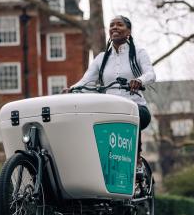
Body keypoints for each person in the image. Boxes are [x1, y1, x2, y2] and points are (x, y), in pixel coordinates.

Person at [66, 15, 156, 167]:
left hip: (136, 107)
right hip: (110, 110)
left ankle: (136, 158)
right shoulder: (101, 58)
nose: (114, 27)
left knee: (131, 116)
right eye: (112, 25)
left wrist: (139, 80)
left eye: (119, 25)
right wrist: (72, 89)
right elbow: (86, 80)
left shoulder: (139, 53)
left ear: (128, 31)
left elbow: (151, 74)